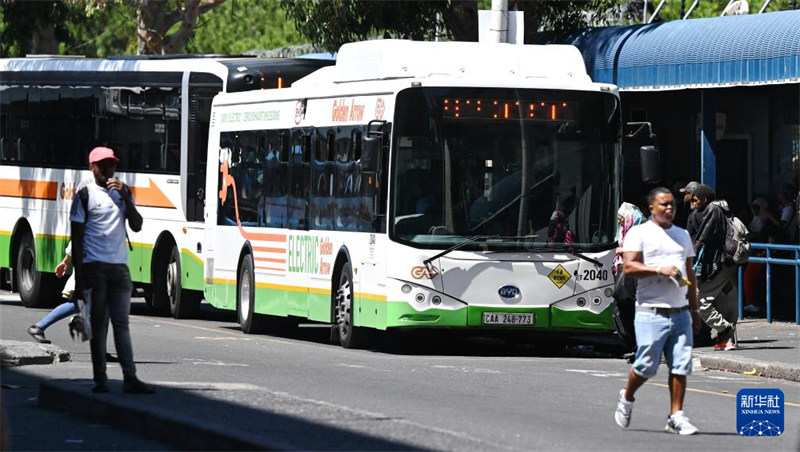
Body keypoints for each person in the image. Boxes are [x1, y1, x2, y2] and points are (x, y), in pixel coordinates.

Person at [614, 187, 701, 435]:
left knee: (681, 364)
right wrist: (658, 270)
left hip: (680, 311)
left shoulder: (682, 235)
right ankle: (627, 396)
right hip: (650, 311)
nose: (669, 208)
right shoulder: (639, 233)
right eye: (664, 204)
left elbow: (690, 274)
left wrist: (694, 309)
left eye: (672, 204)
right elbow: (629, 267)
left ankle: (676, 415)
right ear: (652, 207)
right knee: (646, 366)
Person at [70, 146, 153, 395]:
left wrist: (126, 199)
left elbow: (137, 226)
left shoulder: (122, 191)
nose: (109, 169)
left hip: (120, 268)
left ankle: (130, 377)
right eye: (104, 164)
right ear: (92, 167)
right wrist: (79, 280)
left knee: (122, 323)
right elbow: (76, 237)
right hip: (95, 268)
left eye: (113, 164)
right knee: (99, 325)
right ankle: (101, 380)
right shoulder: (84, 194)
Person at [689, 184, 740, 351]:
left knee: (698, 300)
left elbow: (703, 236)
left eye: (695, 199)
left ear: (704, 199)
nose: (693, 202)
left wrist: (693, 254)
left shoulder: (713, 210)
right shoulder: (705, 212)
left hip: (719, 265)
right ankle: (727, 339)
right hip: (717, 265)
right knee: (723, 303)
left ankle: (725, 329)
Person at [612, 202, 646, 359]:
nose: (619, 221)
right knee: (620, 310)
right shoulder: (624, 233)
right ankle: (634, 345)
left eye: (621, 218)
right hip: (624, 270)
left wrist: (623, 250)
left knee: (630, 307)